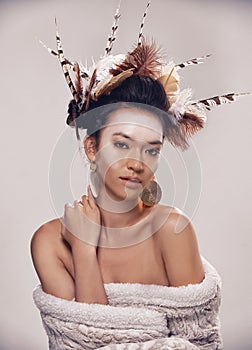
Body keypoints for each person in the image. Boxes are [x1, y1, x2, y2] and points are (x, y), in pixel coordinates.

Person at [30, 2, 247, 348]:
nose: (138, 162)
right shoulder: (51, 242)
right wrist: (84, 250)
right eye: (121, 144)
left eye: (152, 149)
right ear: (91, 148)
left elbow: (203, 344)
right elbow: (83, 344)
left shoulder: (171, 231)